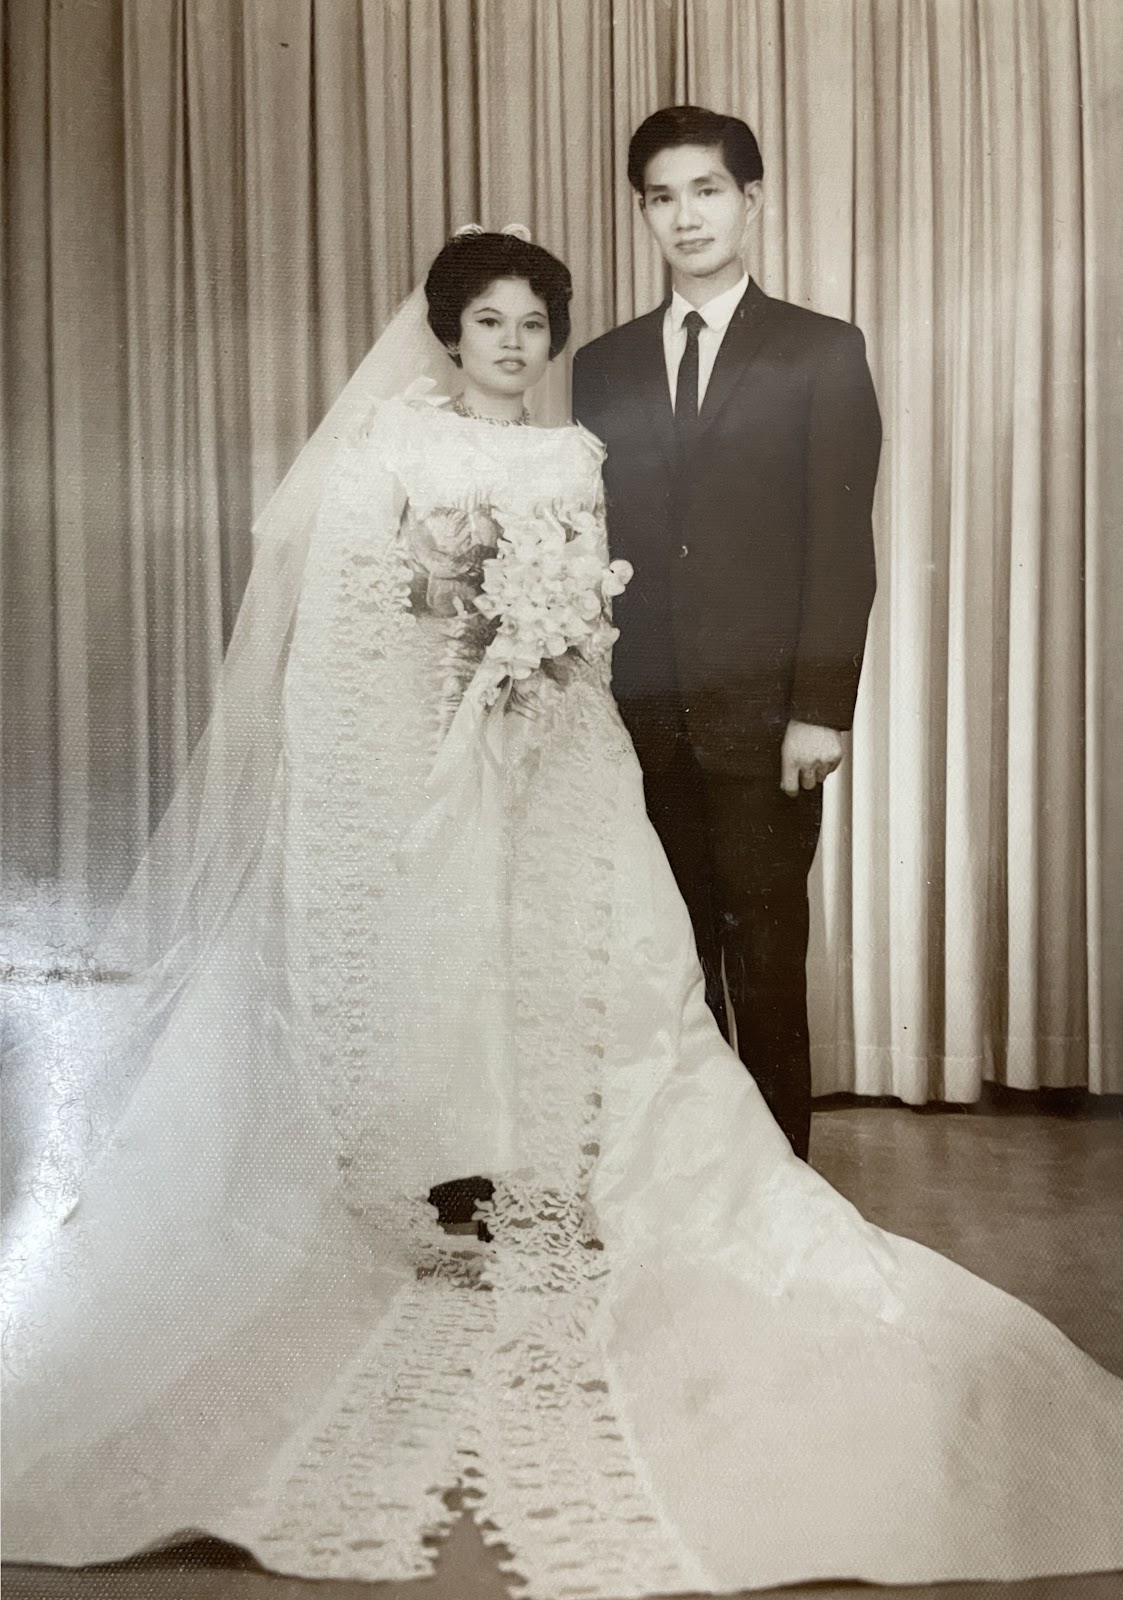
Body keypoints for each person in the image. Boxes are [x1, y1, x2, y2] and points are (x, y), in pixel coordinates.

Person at [3, 228, 1122, 1600]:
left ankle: (565, 1180)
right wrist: (458, 623)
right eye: (490, 325)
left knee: (609, 982)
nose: (516, 348)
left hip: (562, 753)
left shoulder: (572, 458)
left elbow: (596, 610)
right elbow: (356, 622)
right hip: (430, 755)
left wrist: (546, 637)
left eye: (536, 325)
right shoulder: (391, 449)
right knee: (433, 966)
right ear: (447, 334)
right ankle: (438, 1174)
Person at [573, 106, 880, 1160]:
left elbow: (841, 544)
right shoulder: (603, 366)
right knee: (668, 973)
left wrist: (818, 713)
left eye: (707, 190)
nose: (686, 215)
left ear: (752, 198)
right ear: (643, 215)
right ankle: (685, 1192)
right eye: (662, 197)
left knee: (765, 967)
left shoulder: (820, 350)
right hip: (640, 726)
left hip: (766, 726)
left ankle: (782, 1189)